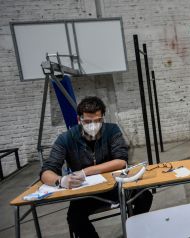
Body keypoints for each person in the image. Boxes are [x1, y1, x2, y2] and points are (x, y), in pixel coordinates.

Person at [40, 96, 152, 238]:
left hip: (114, 186)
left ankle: (134, 231)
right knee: (74, 218)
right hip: (85, 192)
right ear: (79, 120)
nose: (93, 125)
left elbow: (121, 161)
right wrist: (60, 181)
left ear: (103, 117)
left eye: (98, 120)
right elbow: (46, 171)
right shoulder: (66, 138)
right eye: (87, 121)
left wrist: (85, 171)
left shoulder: (111, 130)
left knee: (144, 195)